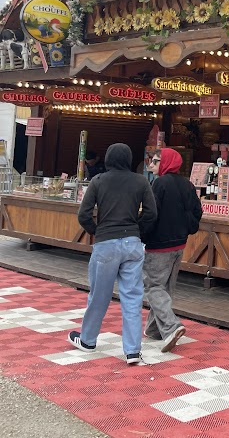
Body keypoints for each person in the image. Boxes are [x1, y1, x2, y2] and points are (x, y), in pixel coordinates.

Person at [68, 143, 157, 365]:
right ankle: (132, 351)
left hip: (105, 243)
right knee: (132, 297)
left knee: (99, 294)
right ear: (129, 159)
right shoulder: (141, 181)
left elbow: (83, 214)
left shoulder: (98, 181)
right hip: (132, 243)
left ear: (108, 158)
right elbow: (151, 213)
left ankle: (87, 340)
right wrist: (138, 231)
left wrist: (97, 231)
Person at [142, 148, 202, 352]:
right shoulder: (187, 184)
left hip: (159, 244)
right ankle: (154, 329)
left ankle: (171, 326)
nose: (152, 165)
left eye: (156, 161)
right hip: (179, 244)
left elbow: (151, 213)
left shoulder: (159, 183)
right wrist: (186, 228)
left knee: (153, 286)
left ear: (166, 162)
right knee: (165, 288)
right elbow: (197, 211)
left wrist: (141, 233)